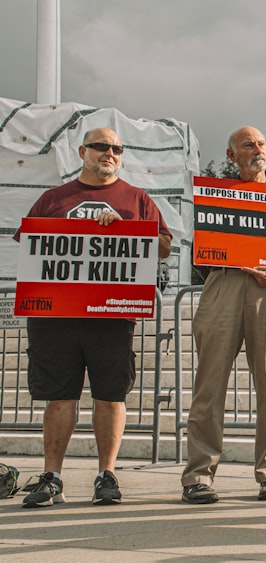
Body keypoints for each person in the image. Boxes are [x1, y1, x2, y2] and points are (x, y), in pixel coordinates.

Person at [15, 127, 172, 508]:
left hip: (112, 314)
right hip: (57, 316)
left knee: (110, 395)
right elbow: (32, 241)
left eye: (117, 148)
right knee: (58, 398)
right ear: (83, 150)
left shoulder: (137, 199)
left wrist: (123, 227)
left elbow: (164, 247)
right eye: (101, 146)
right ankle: (52, 476)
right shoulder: (54, 198)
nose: (110, 153)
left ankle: (108, 474)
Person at [181, 126, 266, 504]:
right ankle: (198, 475)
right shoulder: (216, 197)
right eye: (248, 145)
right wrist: (226, 268)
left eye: (262, 144)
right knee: (209, 385)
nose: (257, 150)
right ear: (232, 156)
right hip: (225, 285)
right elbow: (202, 251)